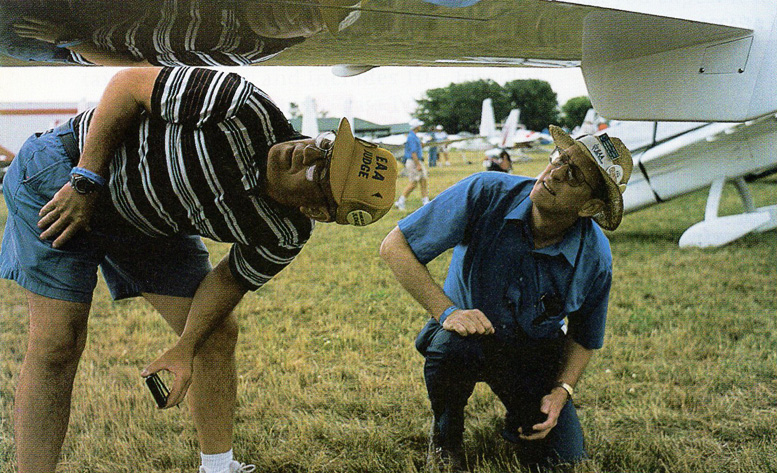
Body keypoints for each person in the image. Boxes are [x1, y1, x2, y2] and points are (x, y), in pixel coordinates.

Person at [0, 66, 397, 473]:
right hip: (65, 173)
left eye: (320, 172)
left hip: (147, 221)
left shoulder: (284, 232)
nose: (309, 151)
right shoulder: (240, 106)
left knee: (213, 333)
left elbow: (227, 280)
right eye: (328, 146)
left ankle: (217, 467)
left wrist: (185, 346)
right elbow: (127, 84)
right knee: (57, 343)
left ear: (315, 210)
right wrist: (86, 180)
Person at [381, 125, 633, 471]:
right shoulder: (486, 191)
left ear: (590, 205)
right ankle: (445, 435)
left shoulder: (596, 257)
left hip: (531, 352)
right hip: (467, 337)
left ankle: (520, 418)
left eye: (573, 175)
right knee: (454, 347)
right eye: (560, 159)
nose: (554, 173)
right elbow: (395, 246)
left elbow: (584, 337)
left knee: (563, 460)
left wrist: (561, 392)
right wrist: (448, 312)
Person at [395, 118, 430, 211]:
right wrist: (418, 164)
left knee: (423, 180)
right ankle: (400, 201)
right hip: (414, 161)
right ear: (417, 127)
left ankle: (425, 202)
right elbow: (413, 152)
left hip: (416, 160)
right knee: (413, 183)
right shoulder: (412, 137)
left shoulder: (413, 136)